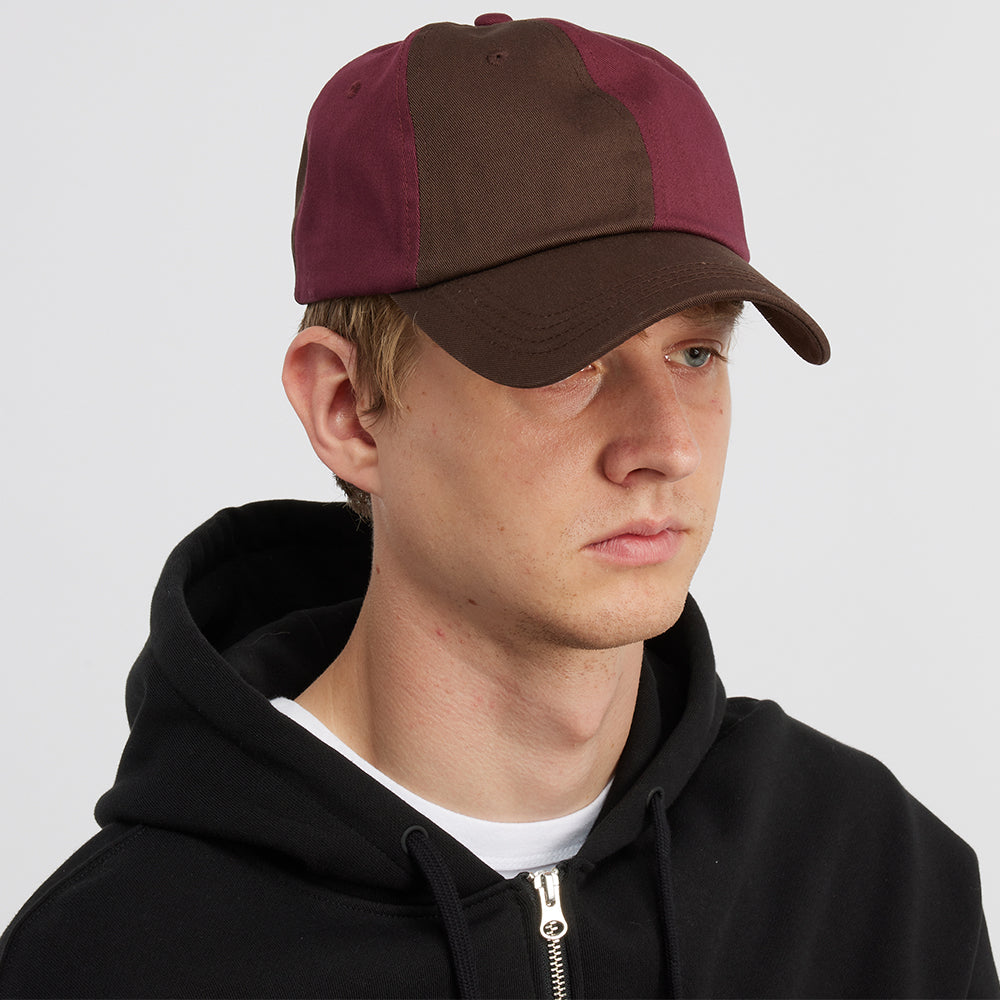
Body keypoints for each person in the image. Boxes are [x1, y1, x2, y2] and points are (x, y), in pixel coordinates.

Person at [0, 12, 996, 998]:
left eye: (696, 353)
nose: (669, 445)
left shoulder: (875, 880)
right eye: (570, 360)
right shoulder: (112, 962)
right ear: (347, 410)